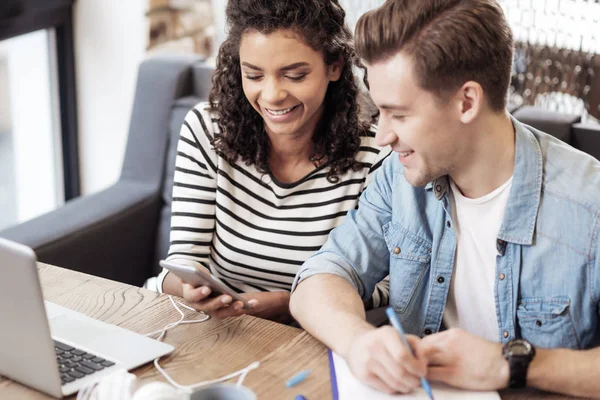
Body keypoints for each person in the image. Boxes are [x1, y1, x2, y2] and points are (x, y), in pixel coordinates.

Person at [290, 0, 600, 397]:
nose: (382, 135)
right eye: (379, 112)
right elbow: (321, 275)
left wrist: (513, 364)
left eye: (398, 115)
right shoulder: (399, 179)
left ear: (466, 102)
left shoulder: (587, 208)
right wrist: (358, 341)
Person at [156, 0, 392, 323]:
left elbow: (391, 286)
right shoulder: (207, 131)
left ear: (334, 66)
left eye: (294, 75)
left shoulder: (377, 154)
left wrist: (294, 302)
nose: (271, 95)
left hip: (312, 336)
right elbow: (180, 262)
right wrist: (189, 290)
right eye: (253, 75)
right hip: (217, 328)